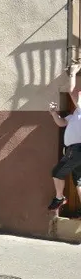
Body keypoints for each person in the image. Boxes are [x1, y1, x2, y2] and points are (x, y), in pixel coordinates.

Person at [48, 63, 81, 211]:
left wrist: (73, 72)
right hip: (74, 150)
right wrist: (54, 113)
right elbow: (62, 123)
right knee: (79, 181)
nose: (79, 95)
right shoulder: (76, 115)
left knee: (57, 172)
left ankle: (60, 198)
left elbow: (71, 90)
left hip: (78, 149)